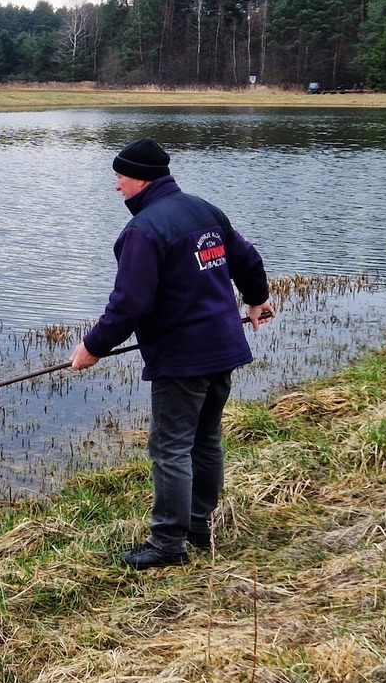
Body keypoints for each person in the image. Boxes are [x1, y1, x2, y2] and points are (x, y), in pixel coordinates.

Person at [70, 137, 273, 569]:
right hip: (223, 349)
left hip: (183, 358)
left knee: (171, 448)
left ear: (141, 179)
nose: (116, 186)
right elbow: (246, 258)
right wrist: (257, 298)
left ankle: (167, 543)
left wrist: (92, 346)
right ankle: (200, 525)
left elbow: (129, 303)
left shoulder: (143, 231)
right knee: (206, 440)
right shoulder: (203, 210)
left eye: (120, 177)